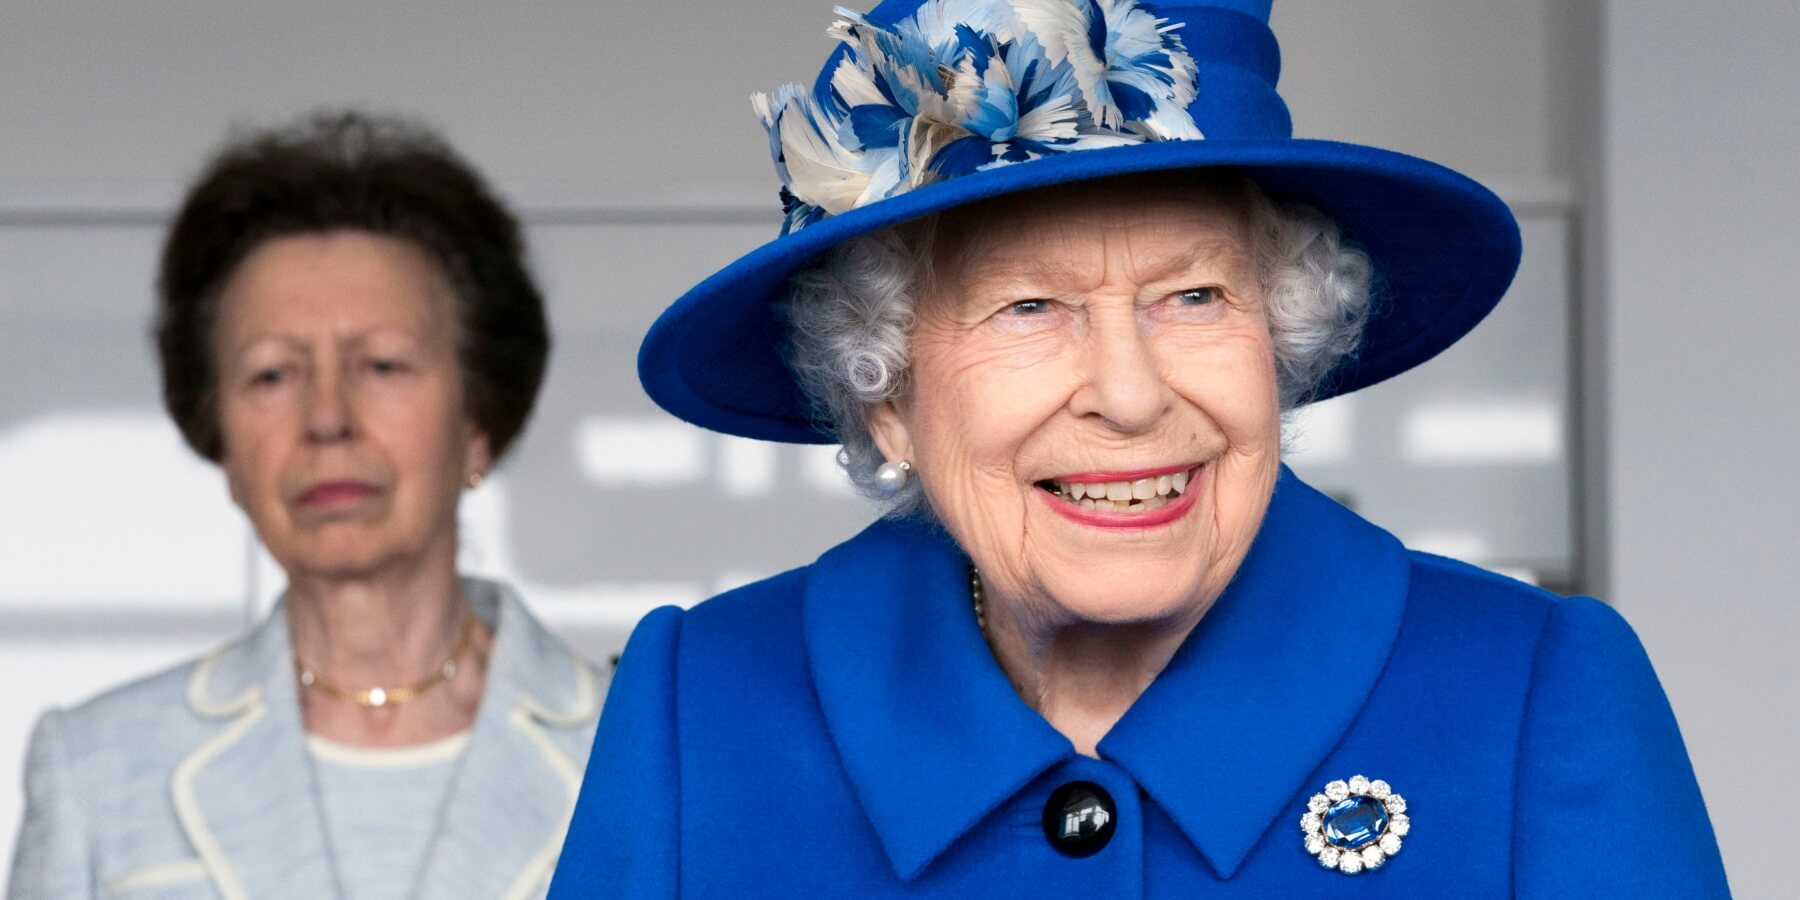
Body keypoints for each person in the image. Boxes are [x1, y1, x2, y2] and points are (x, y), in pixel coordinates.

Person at [550, 0, 1730, 896]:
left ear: (1285, 338)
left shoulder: (1535, 695)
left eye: (1197, 296)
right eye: (1029, 309)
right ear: (887, 401)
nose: (1128, 395)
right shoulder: (699, 714)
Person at [7, 111, 603, 899]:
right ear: (220, 439)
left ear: (480, 423)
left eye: (383, 364)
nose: (327, 417)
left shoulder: (628, 748)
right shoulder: (95, 770)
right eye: (272, 374)